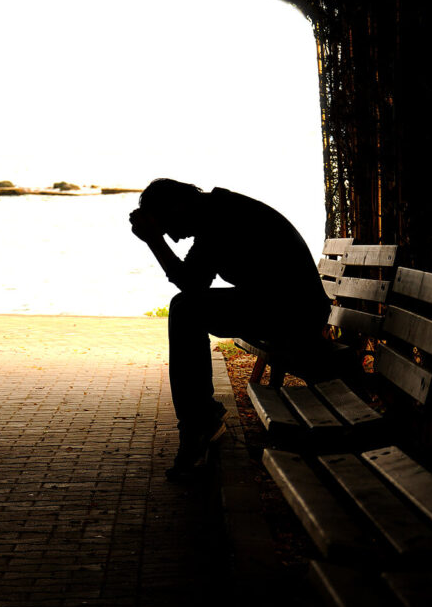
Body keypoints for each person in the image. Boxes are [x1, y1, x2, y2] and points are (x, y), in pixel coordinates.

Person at [129, 178, 330, 481]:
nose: (171, 235)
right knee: (186, 308)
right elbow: (194, 280)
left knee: (185, 309)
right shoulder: (217, 211)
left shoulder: (219, 217)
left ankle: (197, 425)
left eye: (168, 224)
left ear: (179, 205)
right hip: (286, 305)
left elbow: (191, 282)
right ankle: (200, 419)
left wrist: (153, 240)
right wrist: (156, 236)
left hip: (294, 313)